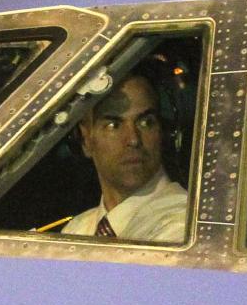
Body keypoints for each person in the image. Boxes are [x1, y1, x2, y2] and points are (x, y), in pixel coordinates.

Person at [60, 69, 190, 242]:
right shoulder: (77, 230)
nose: (133, 139)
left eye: (146, 122)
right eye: (113, 125)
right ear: (85, 139)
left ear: (163, 132)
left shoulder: (185, 228)